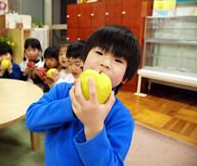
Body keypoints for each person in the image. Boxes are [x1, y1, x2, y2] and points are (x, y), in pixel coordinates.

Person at [25, 25, 141, 165]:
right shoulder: (62, 91)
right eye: (99, 53)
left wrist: (94, 127)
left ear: (125, 77)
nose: (105, 63)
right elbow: (32, 121)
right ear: (84, 59)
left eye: (118, 60)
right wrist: (73, 106)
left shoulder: (122, 118)